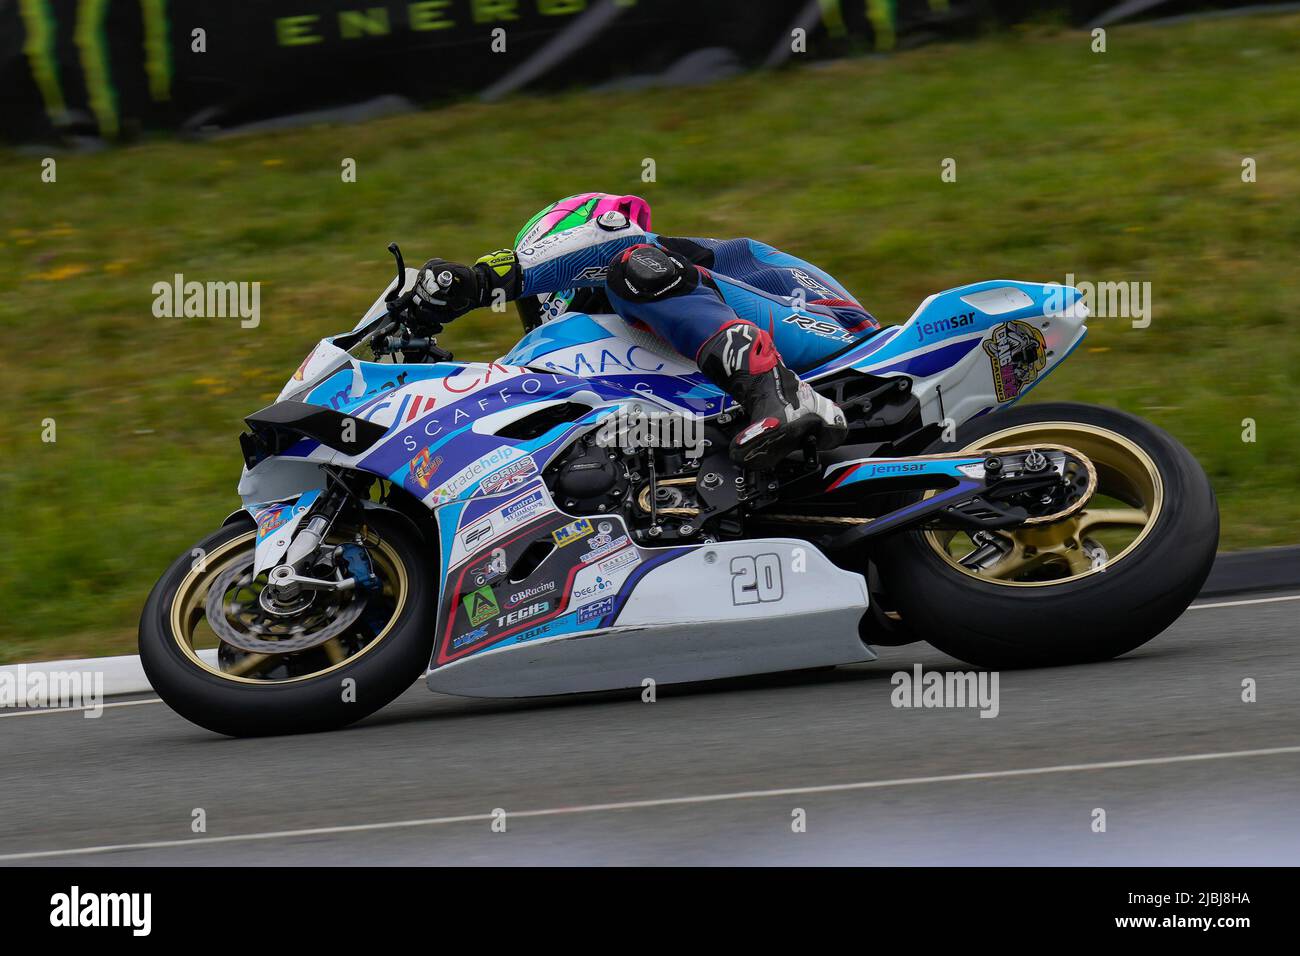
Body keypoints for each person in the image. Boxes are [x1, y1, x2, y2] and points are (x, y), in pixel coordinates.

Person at [402, 193, 880, 467]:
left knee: (632, 268)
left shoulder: (640, 257)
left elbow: (616, 245)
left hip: (832, 339)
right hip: (763, 362)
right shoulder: (662, 320)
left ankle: (778, 393)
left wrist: (485, 280)